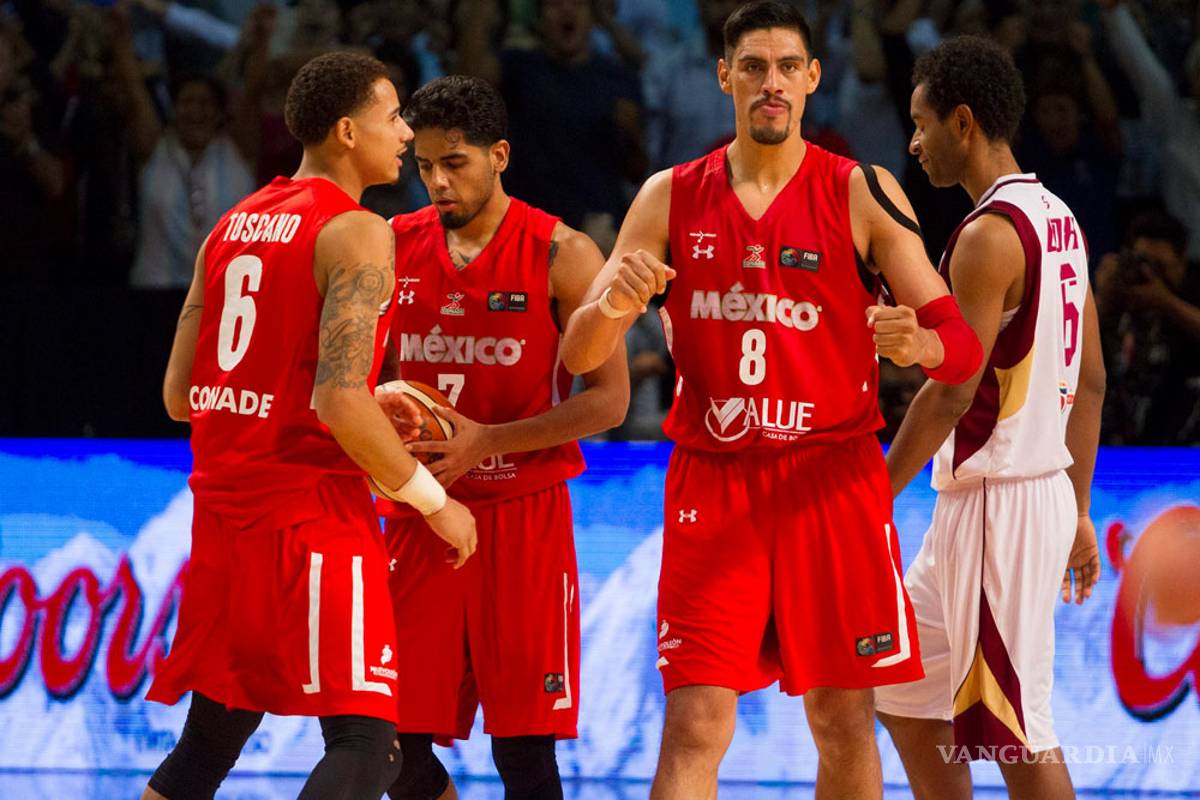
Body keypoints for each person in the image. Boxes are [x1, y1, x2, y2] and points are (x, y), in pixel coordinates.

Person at [558, 3, 985, 798]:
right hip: (714, 482)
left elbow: (961, 345)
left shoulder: (859, 189)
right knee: (693, 723)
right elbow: (579, 354)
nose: (771, 83)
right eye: (753, 66)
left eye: (788, 66)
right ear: (724, 76)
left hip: (832, 480)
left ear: (814, 78)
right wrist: (614, 305)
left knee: (841, 720)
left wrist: (921, 344)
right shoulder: (668, 195)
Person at [142, 51, 477, 800]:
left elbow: (179, 395)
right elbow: (338, 402)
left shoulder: (229, 223)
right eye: (394, 116)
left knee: (208, 744)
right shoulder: (359, 231)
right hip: (309, 518)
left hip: (225, 518)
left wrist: (316, 385)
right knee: (368, 744)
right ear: (348, 130)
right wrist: (434, 501)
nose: (405, 131)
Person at [377, 75, 629, 800]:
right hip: (421, 512)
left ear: (500, 155)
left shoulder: (564, 252)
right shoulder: (393, 245)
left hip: (523, 517)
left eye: (454, 163)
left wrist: (485, 440)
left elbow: (610, 401)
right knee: (391, 744)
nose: (437, 182)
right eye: (423, 165)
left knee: (523, 754)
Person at [873, 36, 1106, 800]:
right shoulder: (1060, 217)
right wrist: (1077, 510)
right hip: (1008, 502)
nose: (913, 142)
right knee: (900, 692)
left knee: (1015, 734)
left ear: (963, 122)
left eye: (920, 123)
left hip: (998, 505)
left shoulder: (985, 236)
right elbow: (1093, 381)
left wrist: (871, 491)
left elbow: (952, 392)